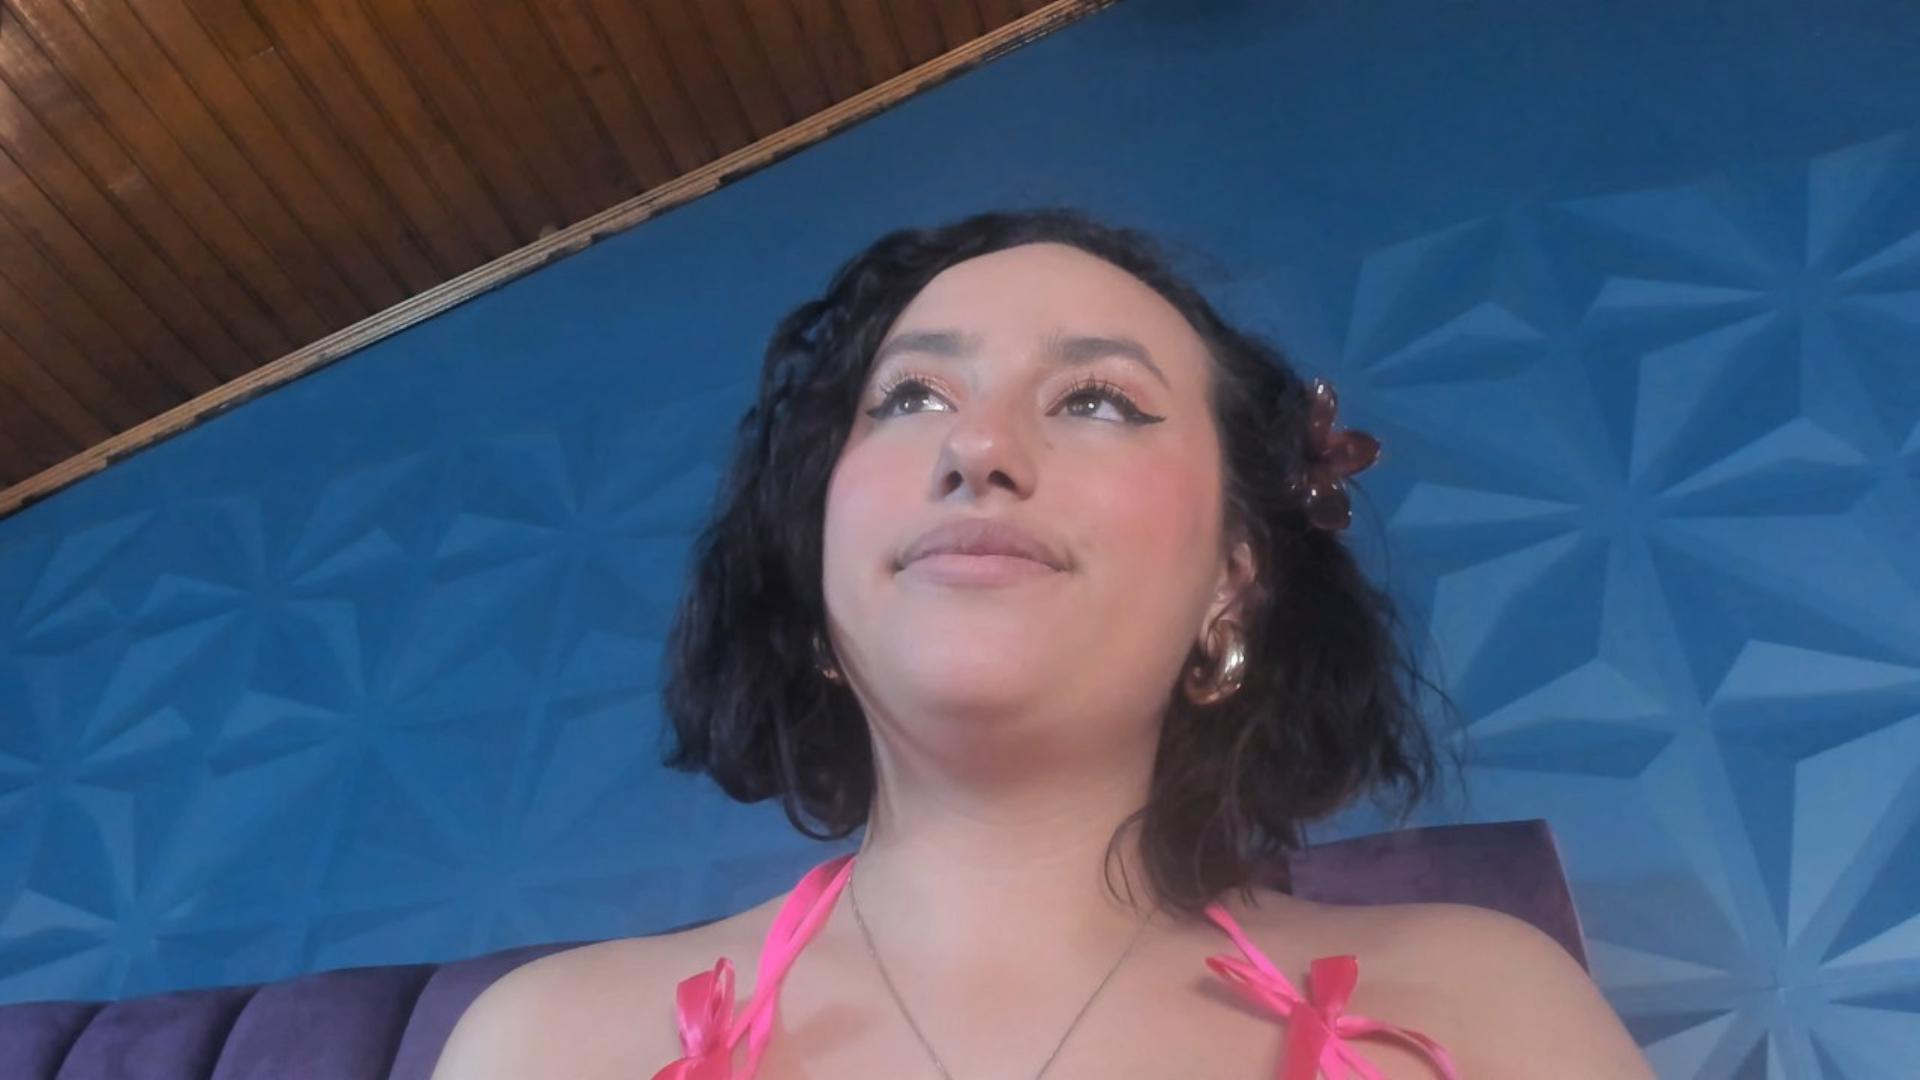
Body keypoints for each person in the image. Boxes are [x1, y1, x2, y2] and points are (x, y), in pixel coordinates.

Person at [432, 208, 1654, 1078]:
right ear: (815, 567)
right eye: (911, 397)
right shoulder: (543, 1048)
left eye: (1097, 401)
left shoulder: (1488, 1011)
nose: (978, 447)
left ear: (1232, 580)